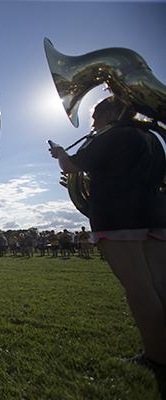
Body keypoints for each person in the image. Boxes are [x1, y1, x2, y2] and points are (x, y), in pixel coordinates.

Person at [49, 95, 166, 368]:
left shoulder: (111, 135)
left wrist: (61, 153)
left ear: (109, 113)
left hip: (118, 217)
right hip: (156, 214)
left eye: (94, 118)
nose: (92, 124)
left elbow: (71, 167)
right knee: (159, 284)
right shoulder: (150, 137)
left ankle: (156, 355)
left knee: (138, 286)